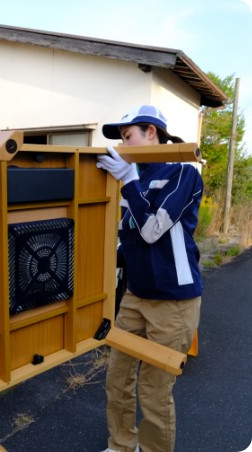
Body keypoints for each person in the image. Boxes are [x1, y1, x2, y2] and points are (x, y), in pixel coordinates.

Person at [96, 105, 203, 452]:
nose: (122, 147)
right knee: (117, 379)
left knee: (154, 392)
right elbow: (128, 237)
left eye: (128, 137)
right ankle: (121, 444)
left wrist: (128, 182)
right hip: (136, 296)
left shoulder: (184, 172)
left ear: (151, 133)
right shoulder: (134, 179)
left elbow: (154, 230)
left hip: (174, 301)